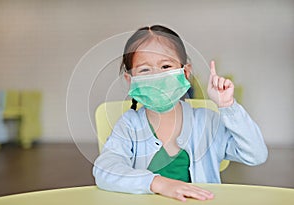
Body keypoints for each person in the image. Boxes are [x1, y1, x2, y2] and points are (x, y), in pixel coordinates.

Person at [93, 25, 268, 201]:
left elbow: (256, 154)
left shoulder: (206, 121)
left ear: (185, 72)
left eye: (166, 66)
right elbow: (105, 169)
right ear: (131, 80)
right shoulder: (129, 125)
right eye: (145, 70)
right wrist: (158, 183)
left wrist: (228, 106)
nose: (157, 77)